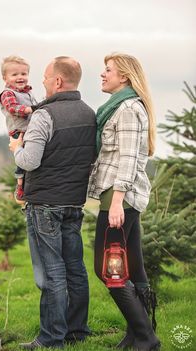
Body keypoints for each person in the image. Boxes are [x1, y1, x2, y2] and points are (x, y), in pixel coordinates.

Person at [9, 56, 96, 349]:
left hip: (45, 204)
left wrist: (16, 148)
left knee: (52, 273)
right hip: (74, 203)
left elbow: (30, 161)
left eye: (46, 78)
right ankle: (77, 332)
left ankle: (50, 338)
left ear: (57, 81)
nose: (43, 83)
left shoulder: (44, 116)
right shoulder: (89, 113)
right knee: (75, 268)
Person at [88, 53, 161, 351]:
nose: (102, 75)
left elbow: (129, 159)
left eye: (108, 70)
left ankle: (146, 337)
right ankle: (137, 334)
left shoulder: (128, 109)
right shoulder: (120, 107)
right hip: (125, 197)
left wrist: (116, 201)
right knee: (132, 267)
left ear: (125, 77)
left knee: (108, 269)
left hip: (119, 199)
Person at [0, 55, 38, 204]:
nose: (20, 77)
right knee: (23, 160)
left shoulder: (28, 93)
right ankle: (20, 187)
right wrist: (29, 109)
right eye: (14, 74)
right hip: (18, 132)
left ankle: (30, 184)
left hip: (30, 130)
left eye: (23, 74)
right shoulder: (8, 94)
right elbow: (13, 108)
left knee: (33, 157)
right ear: (5, 78)